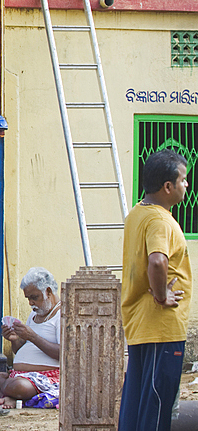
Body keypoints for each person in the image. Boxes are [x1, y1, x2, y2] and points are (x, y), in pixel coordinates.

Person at [119, 148, 191, 431]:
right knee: (156, 405)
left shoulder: (137, 213)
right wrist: (162, 295)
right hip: (161, 328)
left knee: (136, 403)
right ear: (168, 186)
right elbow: (158, 261)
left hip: (140, 326)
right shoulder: (160, 220)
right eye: (184, 180)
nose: (187, 185)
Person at [0, 267, 61, 408]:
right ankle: (13, 397)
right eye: (28, 298)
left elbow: (62, 354)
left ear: (48, 292)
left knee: (19, 386)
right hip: (19, 376)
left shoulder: (62, 315)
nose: (31, 303)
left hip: (45, 377)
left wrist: (32, 336)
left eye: (34, 297)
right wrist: (14, 339)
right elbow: (22, 350)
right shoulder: (34, 315)